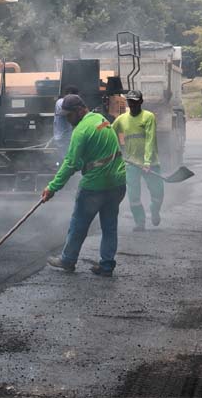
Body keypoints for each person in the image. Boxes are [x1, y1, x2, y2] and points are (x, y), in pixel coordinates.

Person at [42, 94, 127, 276]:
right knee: (109, 226)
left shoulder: (80, 131)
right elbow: (93, 157)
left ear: (79, 111)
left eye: (69, 115)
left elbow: (70, 163)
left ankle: (68, 260)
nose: (67, 119)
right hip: (118, 183)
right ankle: (107, 266)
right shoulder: (101, 120)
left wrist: (52, 187)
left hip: (95, 186)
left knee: (79, 224)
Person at [111, 90, 164, 232]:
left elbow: (150, 140)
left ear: (141, 102)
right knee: (133, 196)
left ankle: (154, 209)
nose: (132, 105)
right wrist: (116, 150)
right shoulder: (122, 119)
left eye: (135, 102)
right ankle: (140, 222)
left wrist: (147, 162)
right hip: (131, 163)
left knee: (158, 193)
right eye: (130, 102)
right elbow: (110, 133)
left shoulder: (148, 117)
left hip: (151, 163)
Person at [53, 85, 79, 164]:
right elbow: (64, 111)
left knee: (70, 156)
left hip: (68, 136)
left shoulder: (70, 104)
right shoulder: (60, 102)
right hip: (62, 136)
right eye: (76, 97)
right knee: (66, 159)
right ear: (70, 94)